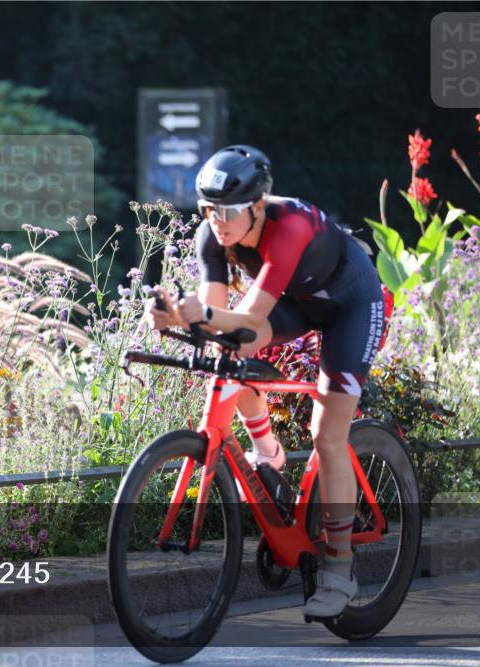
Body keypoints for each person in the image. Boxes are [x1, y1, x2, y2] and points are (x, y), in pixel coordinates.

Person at [144, 145, 388, 618]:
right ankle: (266, 450)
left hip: (352, 304)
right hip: (299, 302)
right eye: (208, 209)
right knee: (228, 349)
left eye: (228, 211)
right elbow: (220, 319)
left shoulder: (288, 227)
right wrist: (175, 315)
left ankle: (340, 569)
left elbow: (251, 317)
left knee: (327, 435)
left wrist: (202, 312)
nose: (217, 221)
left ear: (258, 206)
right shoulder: (212, 234)